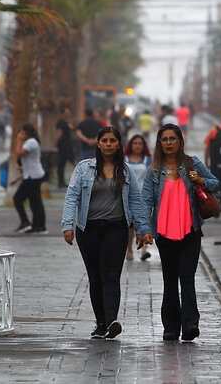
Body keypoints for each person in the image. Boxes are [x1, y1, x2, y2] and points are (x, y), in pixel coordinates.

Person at [62, 126, 152, 340]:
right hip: (89, 229)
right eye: (105, 140)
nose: (109, 144)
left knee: (111, 276)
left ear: (119, 144)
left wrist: (143, 229)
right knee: (95, 278)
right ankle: (100, 323)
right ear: (98, 143)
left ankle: (112, 320)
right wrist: (68, 225)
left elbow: (135, 200)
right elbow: (72, 196)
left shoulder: (126, 170)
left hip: (116, 229)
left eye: (113, 140)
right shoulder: (84, 168)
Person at [142, 124, 219, 342]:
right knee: (169, 279)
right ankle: (171, 328)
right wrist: (145, 229)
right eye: (164, 139)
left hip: (190, 232)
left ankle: (190, 324)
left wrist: (200, 180)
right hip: (165, 234)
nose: (168, 143)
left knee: (187, 277)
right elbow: (146, 200)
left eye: (172, 138)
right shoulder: (154, 170)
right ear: (160, 143)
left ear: (179, 141)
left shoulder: (192, 163)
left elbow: (216, 183)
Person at [13, 124, 47, 234]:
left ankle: (26, 223)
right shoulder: (30, 142)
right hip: (32, 175)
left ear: (26, 133)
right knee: (35, 201)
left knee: (18, 198)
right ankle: (38, 226)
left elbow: (19, 153)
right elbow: (29, 160)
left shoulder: (31, 142)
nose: (20, 135)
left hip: (33, 177)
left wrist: (18, 140)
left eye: (21, 133)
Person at [125, 134, 152, 261]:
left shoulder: (148, 160)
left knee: (144, 223)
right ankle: (129, 249)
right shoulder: (124, 159)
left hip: (144, 197)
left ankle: (143, 251)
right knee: (130, 226)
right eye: (135, 143)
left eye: (140, 143)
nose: (137, 146)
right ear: (130, 145)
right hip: (129, 197)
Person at [55, 108, 75, 188]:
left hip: (66, 145)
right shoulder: (60, 122)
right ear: (62, 113)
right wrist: (56, 145)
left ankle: (62, 181)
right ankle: (60, 182)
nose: (68, 114)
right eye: (67, 113)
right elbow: (59, 134)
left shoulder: (65, 122)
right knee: (61, 164)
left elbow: (72, 128)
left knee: (63, 164)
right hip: (62, 146)